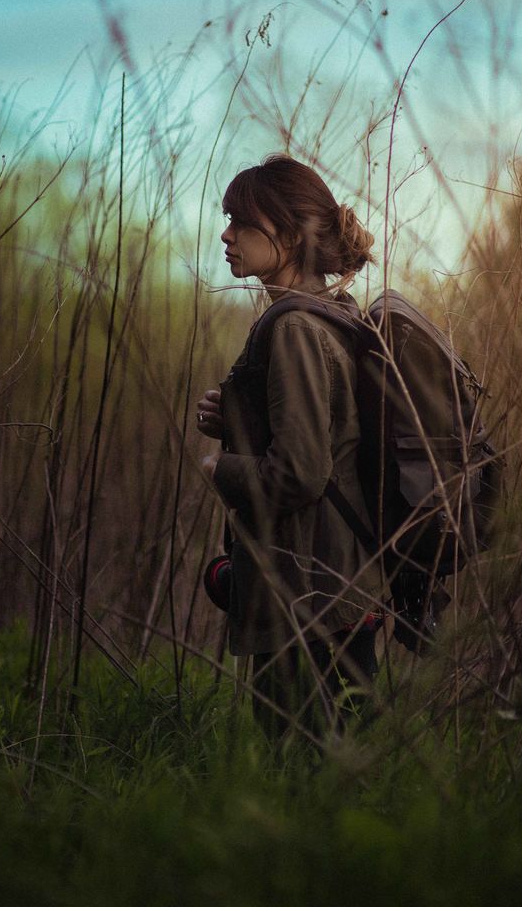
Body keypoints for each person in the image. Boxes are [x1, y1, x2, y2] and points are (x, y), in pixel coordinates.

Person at [195, 154, 384, 741]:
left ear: (286, 232)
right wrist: (238, 420)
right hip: (345, 585)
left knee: (303, 770)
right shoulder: (335, 314)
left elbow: (300, 472)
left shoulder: (294, 328)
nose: (225, 235)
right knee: (346, 768)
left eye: (240, 222)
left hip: (308, 597)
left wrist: (219, 466)